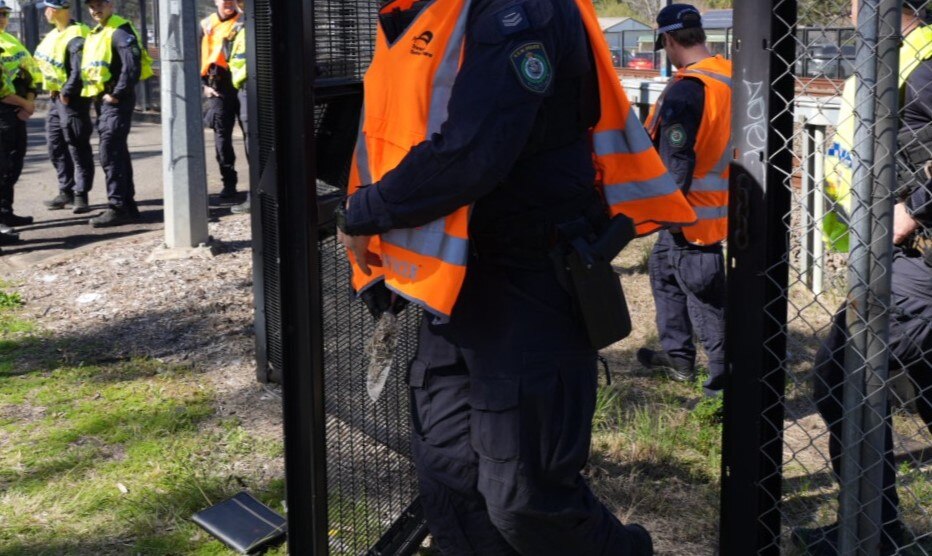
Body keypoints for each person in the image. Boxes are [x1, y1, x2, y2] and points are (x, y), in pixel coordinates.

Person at [336, 0, 698, 552]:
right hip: (453, 286)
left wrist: (366, 212)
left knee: (525, 499)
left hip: (530, 281)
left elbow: (475, 150)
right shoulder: (420, 14)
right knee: (450, 481)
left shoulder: (521, 10)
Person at [798, 1, 932, 554]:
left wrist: (917, 209)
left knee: (839, 379)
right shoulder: (891, 57)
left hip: (913, 257)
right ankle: (873, 530)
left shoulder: (923, 57)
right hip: (891, 252)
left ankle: (871, 534)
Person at [636, 4, 731, 397]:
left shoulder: (688, 88)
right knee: (664, 274)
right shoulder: (726, 75)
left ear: (669, 40)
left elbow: (677, 161)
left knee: (705, 302)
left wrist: (666, 211)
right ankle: (678, 359)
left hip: (689, 214)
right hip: (711, 205)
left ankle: (720, 391)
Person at [80, 0, 152, 227]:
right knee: (116, 151)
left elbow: (132, 65)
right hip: (105, 101)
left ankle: (119, 207)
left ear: (110, 4)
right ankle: (127, 206)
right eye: (91, 6)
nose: (95, 9)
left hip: (115, 101)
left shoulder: (119, 30)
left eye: (100, 4)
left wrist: (117, 94)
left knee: (109, 152)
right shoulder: (101, 30)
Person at [35, 0, 95, 215]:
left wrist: (68, 93)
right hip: (54, 99)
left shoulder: (77, 34)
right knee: (56, 146)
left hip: (71, 100)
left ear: (55, 10)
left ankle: (81, 195)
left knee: (77, 146)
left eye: (47, 9)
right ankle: (66, 190)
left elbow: (79, 70)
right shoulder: (54, 35)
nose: (44, 13)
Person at [0, 0, 41, 230]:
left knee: (13, 163)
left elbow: (30, 72)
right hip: (5, 109)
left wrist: (30, 102)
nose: (2, 18)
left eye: (4, 14)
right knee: (3, 165)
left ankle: (6, 211)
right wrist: (26, 104)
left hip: (17, 111)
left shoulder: (11, 40)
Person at [201, 0, 242, 201]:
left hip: (243, 85)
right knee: (222, 137)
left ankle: (259, 186)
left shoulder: (244, 21)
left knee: (254, 135)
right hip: (218, 87)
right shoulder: (206, 25)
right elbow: (196, 57)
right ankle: (229, 182)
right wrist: (204, 87)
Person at [229, 0, 250, 215]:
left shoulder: (256, 22)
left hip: (255, 89)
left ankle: (258, 197)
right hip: (243, 89)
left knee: (256, 145)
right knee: (251, 145)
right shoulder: (239, 25)